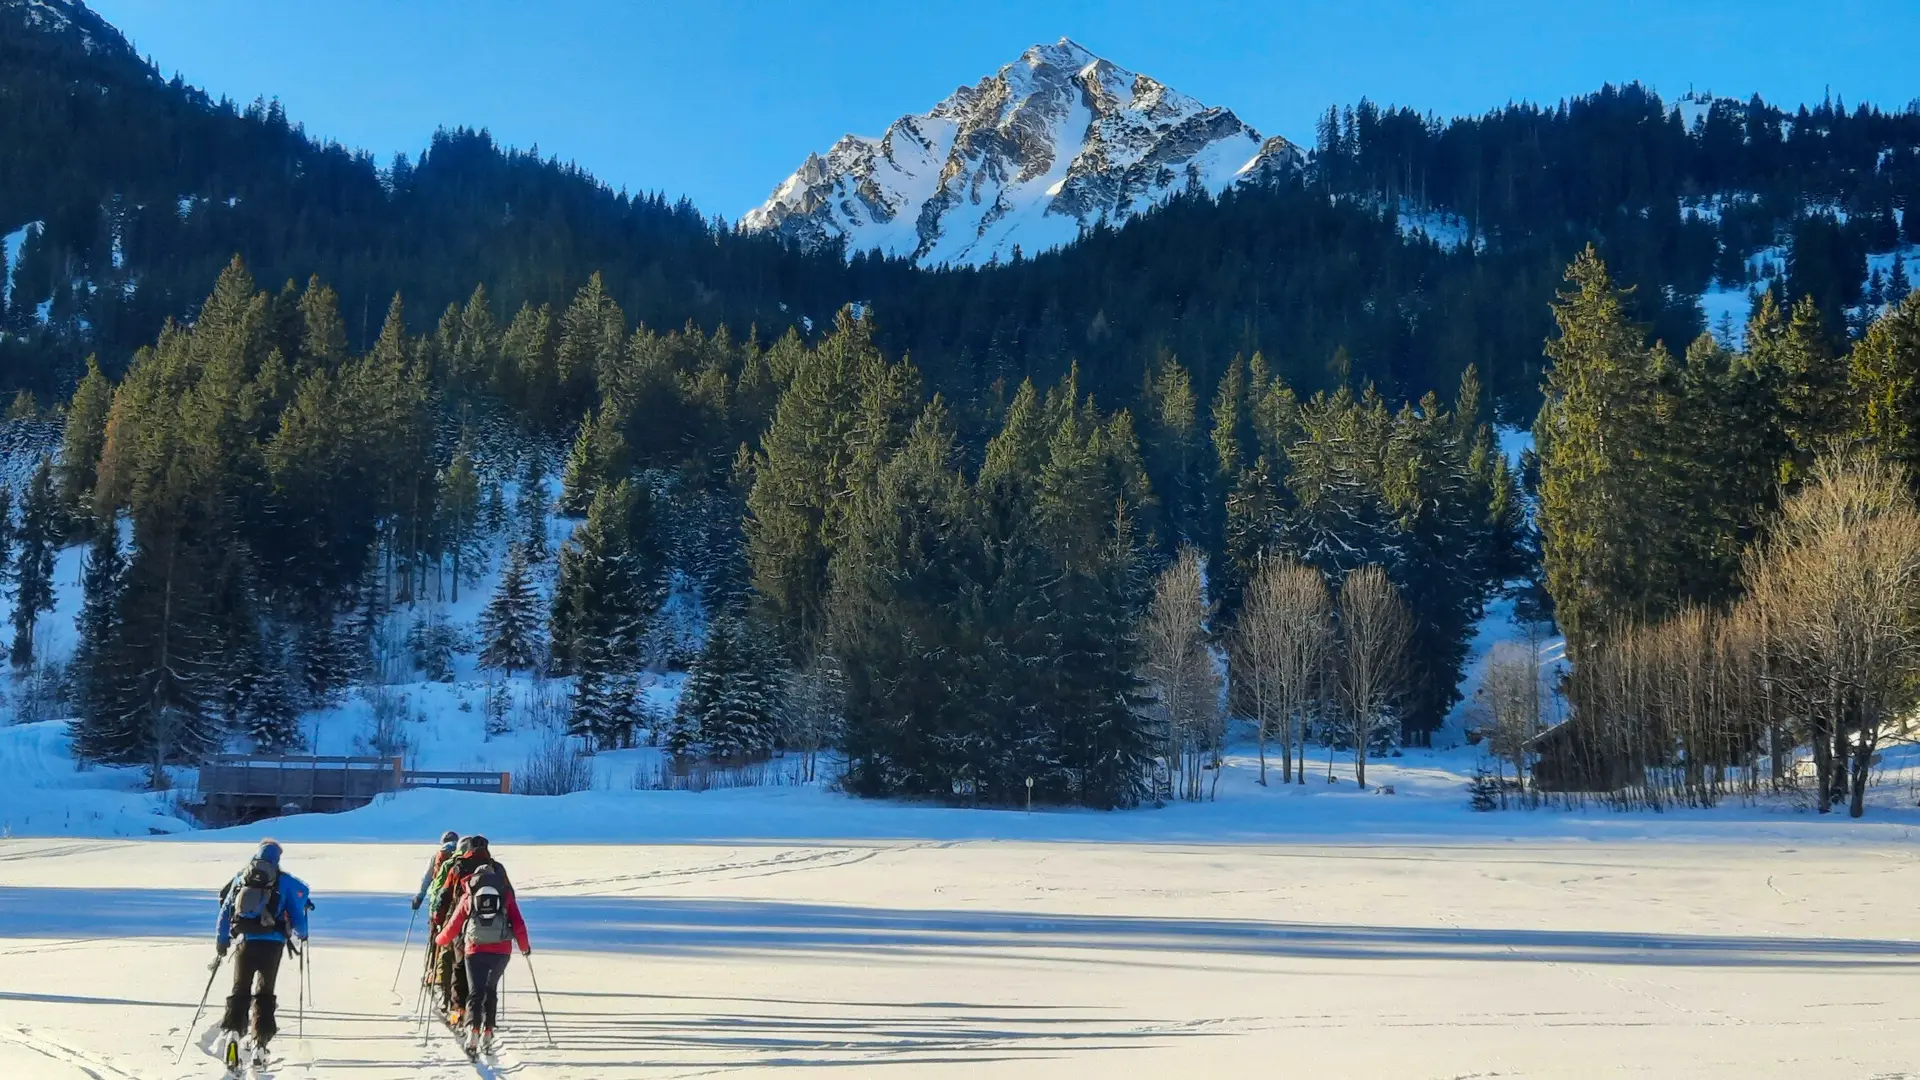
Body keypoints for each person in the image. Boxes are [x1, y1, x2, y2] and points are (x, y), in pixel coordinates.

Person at [214, 839, 311, 1069]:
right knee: (264, 993)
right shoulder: (284, 881)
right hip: (272, 945)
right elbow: (297, 915)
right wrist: (303, 934)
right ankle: (260, 1044)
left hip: (245, 943)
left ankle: (234, 1035)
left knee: (240, 990)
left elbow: (226, 911)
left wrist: (222, 941)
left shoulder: (241, 877)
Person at [433, 835, 530, 1055]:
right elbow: (515, 912)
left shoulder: (459, 870)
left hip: (469, 936)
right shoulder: (499, 872)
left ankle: (461, 1016)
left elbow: (444, 895)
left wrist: (439, 929)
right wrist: (523, 944)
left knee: (464, 975)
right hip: (500, 944)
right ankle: (487, 1029)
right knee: (490, 989)